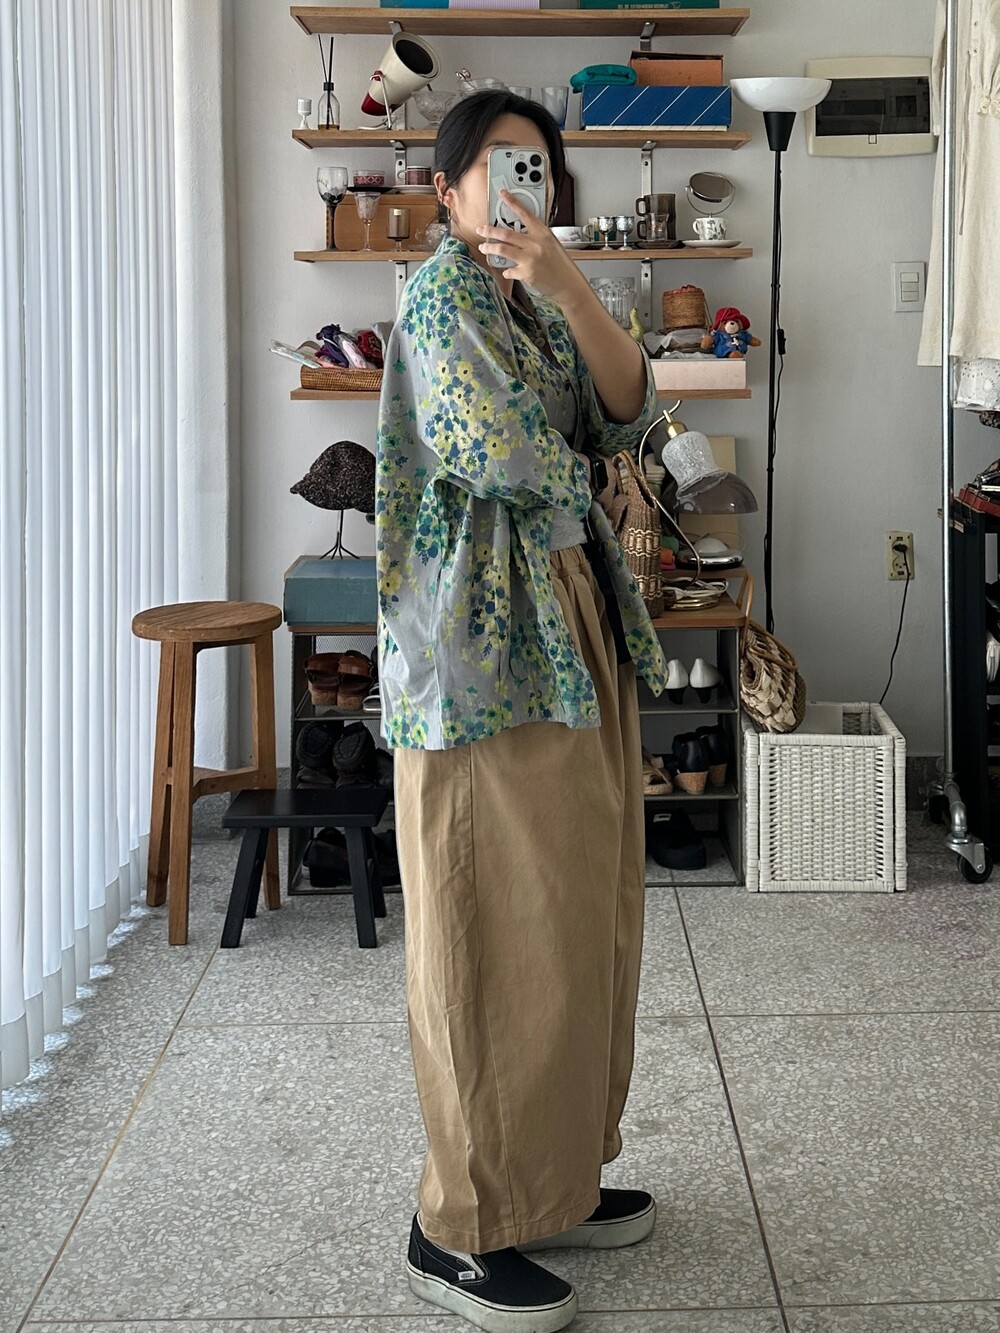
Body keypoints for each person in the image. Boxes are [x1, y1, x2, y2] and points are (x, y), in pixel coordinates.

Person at [375, 90, 668, 1333]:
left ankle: (549, 1178)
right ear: (448, 190)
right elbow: (497, 448)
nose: (519, 186)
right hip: (480, 644)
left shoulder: (536, 300)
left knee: (576, 912)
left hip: (567, 614)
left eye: (538, 167)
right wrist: (603, 469)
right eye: (497, 167)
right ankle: (458, 1221)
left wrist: (573, 286)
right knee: (488, 921)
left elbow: (628, 402)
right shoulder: (440, 296)